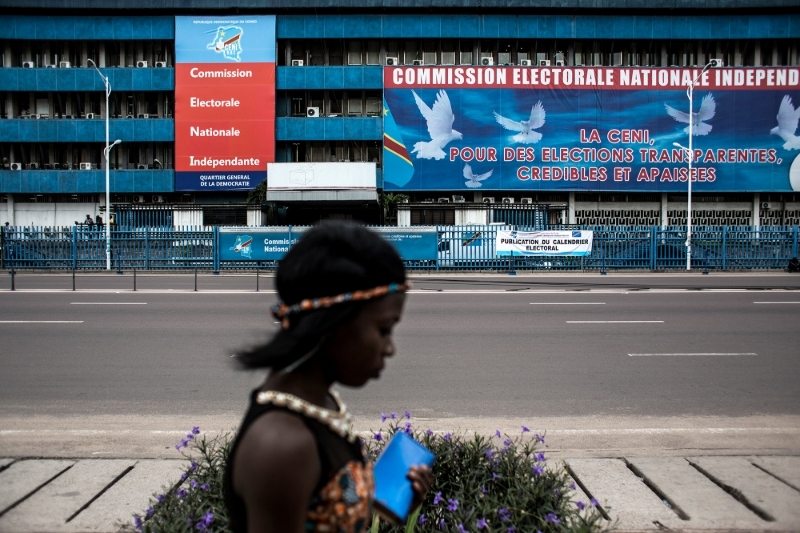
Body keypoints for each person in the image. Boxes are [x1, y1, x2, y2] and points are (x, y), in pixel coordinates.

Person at [223, 221, 433, 533]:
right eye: (384, 329)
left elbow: (323, 506)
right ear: (333, 324)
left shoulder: (318, 402)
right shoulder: (282, 446)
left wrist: (385, 500)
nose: (390, 349)